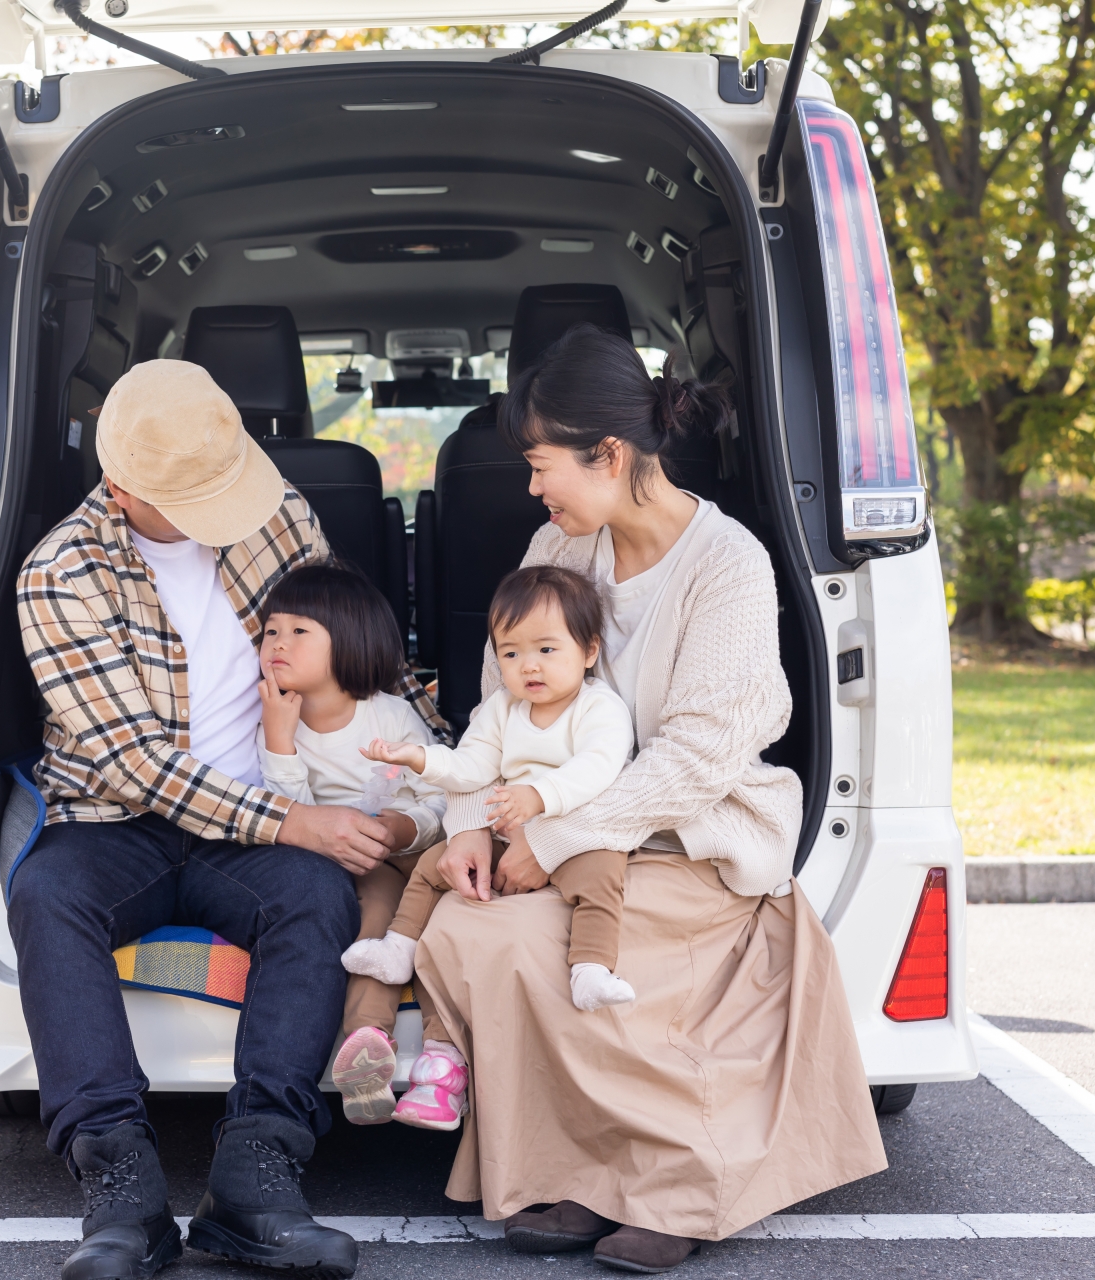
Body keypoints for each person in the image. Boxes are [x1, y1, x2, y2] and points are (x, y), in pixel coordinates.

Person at [409, 324, 889, 1273]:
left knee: (508, 936)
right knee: (463, 926)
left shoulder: (730, 565)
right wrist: (470, 824)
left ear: (613, 454)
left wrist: (557, 840)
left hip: (692, 838)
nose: (533, 489)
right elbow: (499, 712)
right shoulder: (560, 543)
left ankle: (676, 1179)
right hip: (570, 835)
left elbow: (697, 757)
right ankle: (589, 1175)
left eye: (543, 465)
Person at [10, 359, 442, 1280]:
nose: (224, 511)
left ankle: (257, 1177)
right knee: (46, 893)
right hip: (116, 816)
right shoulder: (60, 571)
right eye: (191, 498)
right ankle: (119, 1188)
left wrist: (447, 761)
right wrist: (291, 822)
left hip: (259, 816)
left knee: (318, 899)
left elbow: (348, 644)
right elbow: (134, 763)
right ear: (121, 487)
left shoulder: (273, 507)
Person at [349, 566, 637, 1123]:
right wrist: (422, 759)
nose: (528, 665)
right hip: (507, 834)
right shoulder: (501, 710)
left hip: (575, 833)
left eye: (547, 649)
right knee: (432, 865)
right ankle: (398, 948)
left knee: (604, 874)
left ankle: (591, 969)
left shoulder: (599, 708)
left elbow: (598, 769)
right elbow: (472, 766)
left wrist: (539, 796)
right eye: (510, 653)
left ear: (589, 650)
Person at [252, 562, 447, 1126]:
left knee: (439, 917)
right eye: (271, 632)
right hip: (344, 862)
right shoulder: (270, 719)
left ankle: (443, 1053)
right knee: (378, 915)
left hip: (412, 846)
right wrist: (280, 740)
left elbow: (439, 795)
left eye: (300, 632)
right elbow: (283, 813)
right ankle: (367, 1039)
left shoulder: (387, 715)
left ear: (350, 642)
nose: (278, 645)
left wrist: (401, 829)